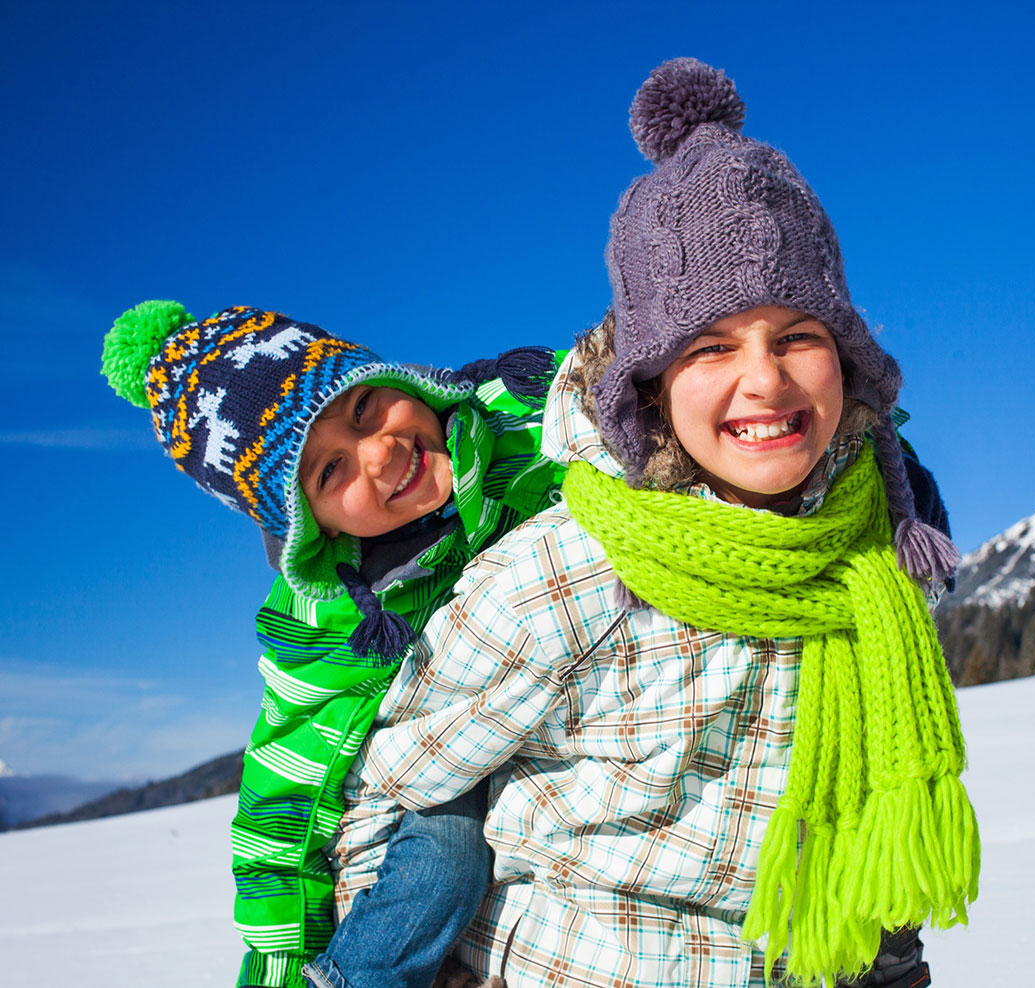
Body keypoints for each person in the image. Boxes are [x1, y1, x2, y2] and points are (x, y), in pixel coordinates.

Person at [328, 58, 978, 988]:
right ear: (649, 393)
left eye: (797, 336)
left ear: (849, 361)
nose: (765, 379)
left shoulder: (877, 548)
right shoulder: (565, 572)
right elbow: (393, 797)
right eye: (710, 348)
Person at [101, 301, 564, 988]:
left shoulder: (528, 416)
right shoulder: (329, 616)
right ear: (304, 523)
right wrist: (279, 950)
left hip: (576, 700)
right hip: (444, 763)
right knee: (443, 852)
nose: (380, 451)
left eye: (365, 407)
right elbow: (286, 771)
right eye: (329, 473)